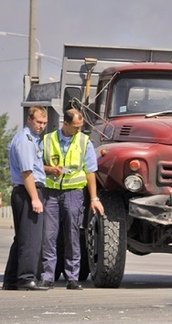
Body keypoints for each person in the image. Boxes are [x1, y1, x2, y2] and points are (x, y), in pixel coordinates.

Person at [39, 108, 104, 290]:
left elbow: (91, 172)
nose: (79, 130)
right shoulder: (47, 140)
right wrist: (50, 170)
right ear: (65, 124)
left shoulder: (84, 142)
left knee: (72, 234)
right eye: (75, 127)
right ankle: (48, 276)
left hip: (74, 193)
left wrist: (94, 198)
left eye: (80, 126)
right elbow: (36, 165)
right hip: (51, 193)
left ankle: (72, 277)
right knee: (49, 236)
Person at [2, 105, 49, 291]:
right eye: (38, 122)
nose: (41, 126)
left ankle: (12, 279)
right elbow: (27, 172)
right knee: (31, 238)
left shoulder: (32, 139)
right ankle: (26, 278)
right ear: (29, 119)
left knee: (22, 237)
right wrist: (35, 198)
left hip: (26, 190)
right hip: (28, 190)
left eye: (44, 123)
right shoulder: (25, 140)